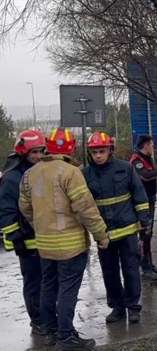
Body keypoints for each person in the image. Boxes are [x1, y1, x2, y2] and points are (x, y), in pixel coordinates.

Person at [19, 128, 110, 350]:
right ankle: (66, 336)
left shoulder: (29, 174)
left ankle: (49, 331)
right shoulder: (71, 172)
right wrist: (101, 235)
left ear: (47, 147)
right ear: (72, 148)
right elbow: (86, 208)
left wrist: (39, 225)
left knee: (47, 288)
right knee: (67, 290)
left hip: (44, 244)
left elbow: (24, 206)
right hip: (70, 246)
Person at [83, 132, 151, 324]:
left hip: (127, 230)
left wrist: (144, 221)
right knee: (109, 272)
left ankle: (133, 307)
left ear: (110, 150)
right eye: (95, 152)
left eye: (102, 151)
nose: (98, 155)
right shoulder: (84, 175)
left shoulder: (126, 168)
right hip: (103, 233)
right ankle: (118, 307)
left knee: (131, 270)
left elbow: (139, 195)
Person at [0, 130, 46, 335]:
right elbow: (7, 210)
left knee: (47, 281)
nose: (37, 156)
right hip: (26, 240)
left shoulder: (38, 171)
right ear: (22, 152)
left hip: (44, 238)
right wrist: (16, 238)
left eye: (40, 151)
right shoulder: (12, 177)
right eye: (33, 152)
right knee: (34, 282)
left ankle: (46, 317)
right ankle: (37, 321)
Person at [130, 135, 157, 281]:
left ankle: (149, 264)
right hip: (142, 203)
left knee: (149, 234)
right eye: (151, 145)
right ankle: (145, 268)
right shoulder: (136, 161)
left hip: (150, 200)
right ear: (145, 145)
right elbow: (145, 176)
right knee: (144, 234)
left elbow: (153, 177)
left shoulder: (147, 160)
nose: (152, 147)